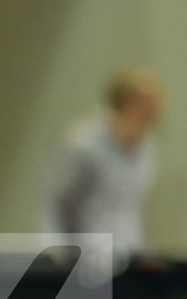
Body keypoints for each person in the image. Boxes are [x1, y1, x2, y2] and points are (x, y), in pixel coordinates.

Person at [41, 67, 165, 273]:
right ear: (125, 101)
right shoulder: (85, 143)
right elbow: (55, 203)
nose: (155, 109)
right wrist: (55, 252)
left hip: (128, 257)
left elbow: (130, 208)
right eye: (146, 101)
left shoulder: (147, 147)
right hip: (85, 259)